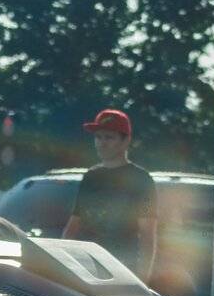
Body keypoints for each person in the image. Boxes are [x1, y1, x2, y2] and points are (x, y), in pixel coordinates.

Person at [63, 109, 157, 277]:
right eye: (98, 137)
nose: (101, 143)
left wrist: (143, 279)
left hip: (122, 268)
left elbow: (147, 234)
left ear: (126, 141)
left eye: (109, 137)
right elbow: (73, 225)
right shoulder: (91, 176)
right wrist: (63, 264)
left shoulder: (142, 180)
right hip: (87, 267)